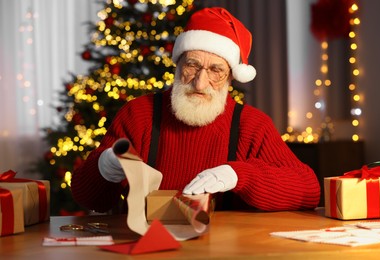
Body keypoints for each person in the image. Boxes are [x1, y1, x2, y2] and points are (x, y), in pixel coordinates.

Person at [71, 7, 320, 213]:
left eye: (216, 71)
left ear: (231, 77)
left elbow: (309, 190)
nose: (200, 83)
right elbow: (86, 197)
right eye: (192, 65)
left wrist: (240, 175)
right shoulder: (138, 115)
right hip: (146, 247)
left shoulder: (251, 125)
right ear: (178, 65)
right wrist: (104, 167)